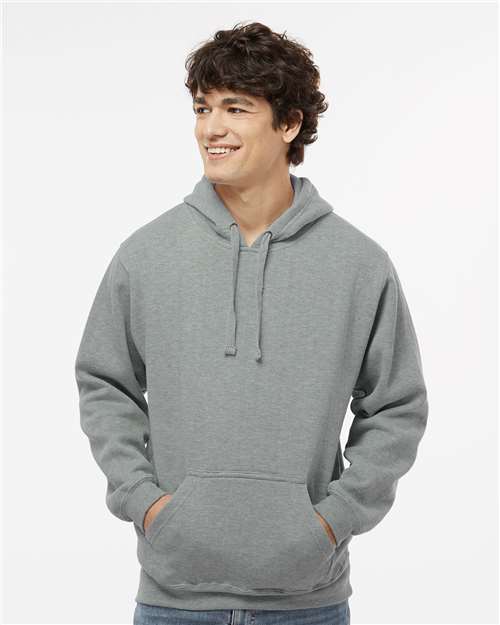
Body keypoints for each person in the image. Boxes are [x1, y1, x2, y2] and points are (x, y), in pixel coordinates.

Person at [74, 21, 428, 625]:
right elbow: (104, 384)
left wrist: (333, 519)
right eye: (202, 108)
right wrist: (145, 502)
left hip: (308, 602)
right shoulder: (145, 255)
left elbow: (396, 407)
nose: (210, 128)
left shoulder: (359, 264)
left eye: (235, 108)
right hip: (173, 599)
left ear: (289, 124)